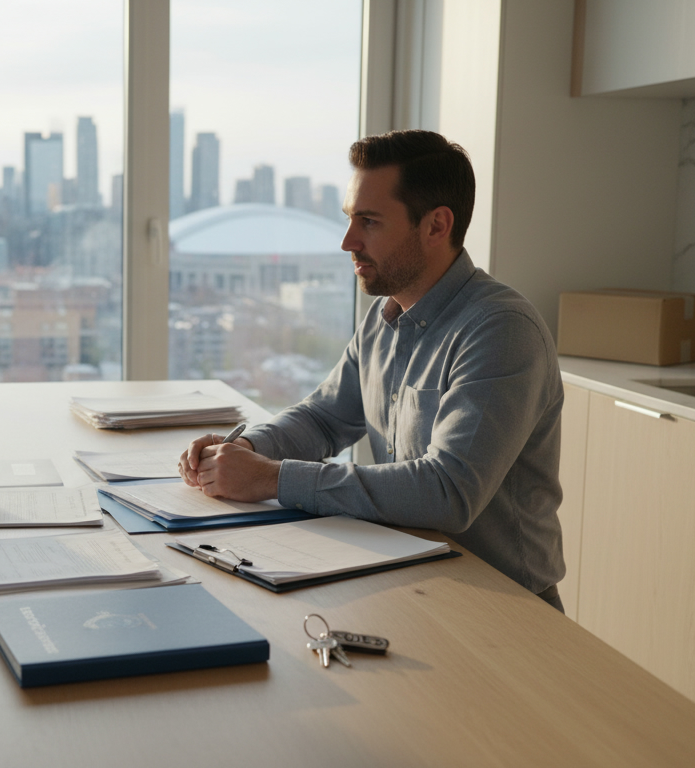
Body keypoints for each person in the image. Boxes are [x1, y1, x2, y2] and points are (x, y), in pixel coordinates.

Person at [179, 130, 566, 611]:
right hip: (414, 580)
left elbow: (448, 492)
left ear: (436, 226)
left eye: (369, 221)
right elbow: (323, 418)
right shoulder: (385, 317)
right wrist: (244, 449)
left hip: (503, 604)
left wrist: (271, 479)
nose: (348, 241)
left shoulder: (501, 330)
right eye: (349, 219)